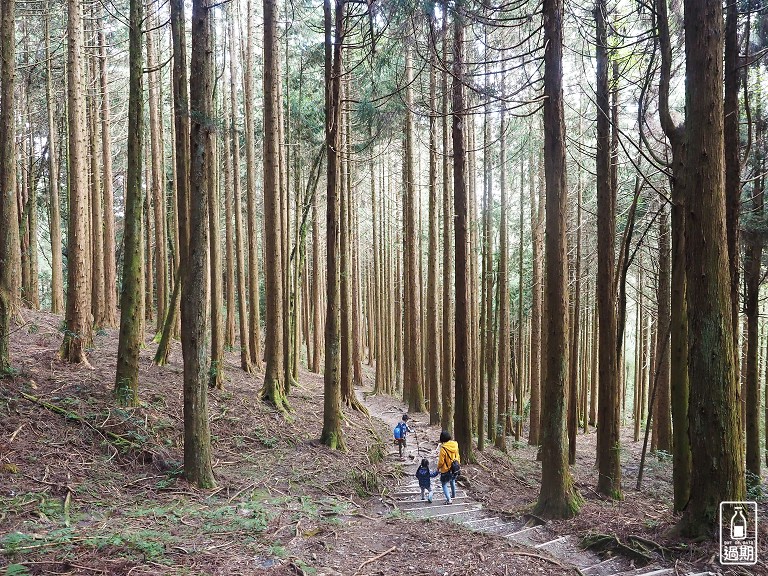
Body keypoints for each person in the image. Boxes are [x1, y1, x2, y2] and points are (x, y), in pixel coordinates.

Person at [437, 430, 460, 504]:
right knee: (452, 481)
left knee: (444, 484)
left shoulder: (443, 448)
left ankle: (449, 499)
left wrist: (438, 468)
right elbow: (458, 456)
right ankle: (453, 495)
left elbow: (441, 462)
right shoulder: (455, 445)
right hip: (454, 468)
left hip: (446, 469)